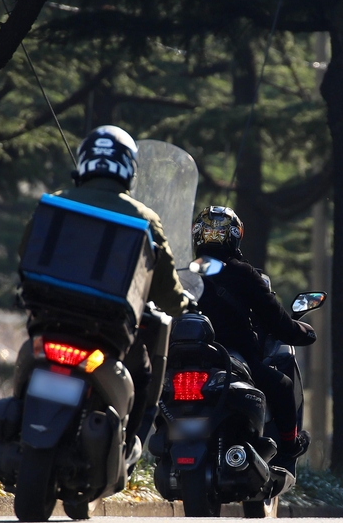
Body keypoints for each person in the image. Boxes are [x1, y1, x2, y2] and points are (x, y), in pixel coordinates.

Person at [18, 125, 189, 459]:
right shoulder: (145, 217)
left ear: (84, 162)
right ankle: (127, 446)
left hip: (48, 319)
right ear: (128, 169)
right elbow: (167, 291)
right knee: (143, 372)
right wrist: (184, 305)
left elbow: (27, 252)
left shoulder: (55, 202)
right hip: (109, 332)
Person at [192, 205, 315, 470]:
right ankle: (289, 446)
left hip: (187, 359)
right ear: (235, 236)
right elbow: (278, 322)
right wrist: (304, 332)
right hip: (234, 361)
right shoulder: (244, 273)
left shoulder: (184, 273)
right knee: (282, 386)